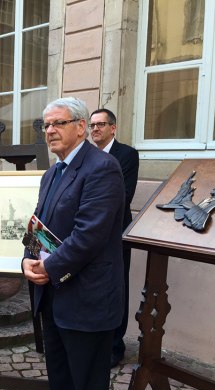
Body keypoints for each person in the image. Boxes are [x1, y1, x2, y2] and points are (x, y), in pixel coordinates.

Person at [22, 97, 125, 390]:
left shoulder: (102, 168)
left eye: (57, 123)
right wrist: (28, 256)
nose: (49, 130)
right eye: (45, 124)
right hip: (53, 296)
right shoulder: (53, 171)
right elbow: (40, 225)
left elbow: (89, 236)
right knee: (62, 384)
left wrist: (48, 269)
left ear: (81, 127)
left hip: (86, 299)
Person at [90, 108, 139, 368]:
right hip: (89, 232)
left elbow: (124, 195)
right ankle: (96, 341)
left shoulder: (126, 155)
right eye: (92, 125)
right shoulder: (86, 156)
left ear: (113, 128)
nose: (95, 129)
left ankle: (114, 346)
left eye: (101, 124)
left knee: (117, 287)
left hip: (117, 233)